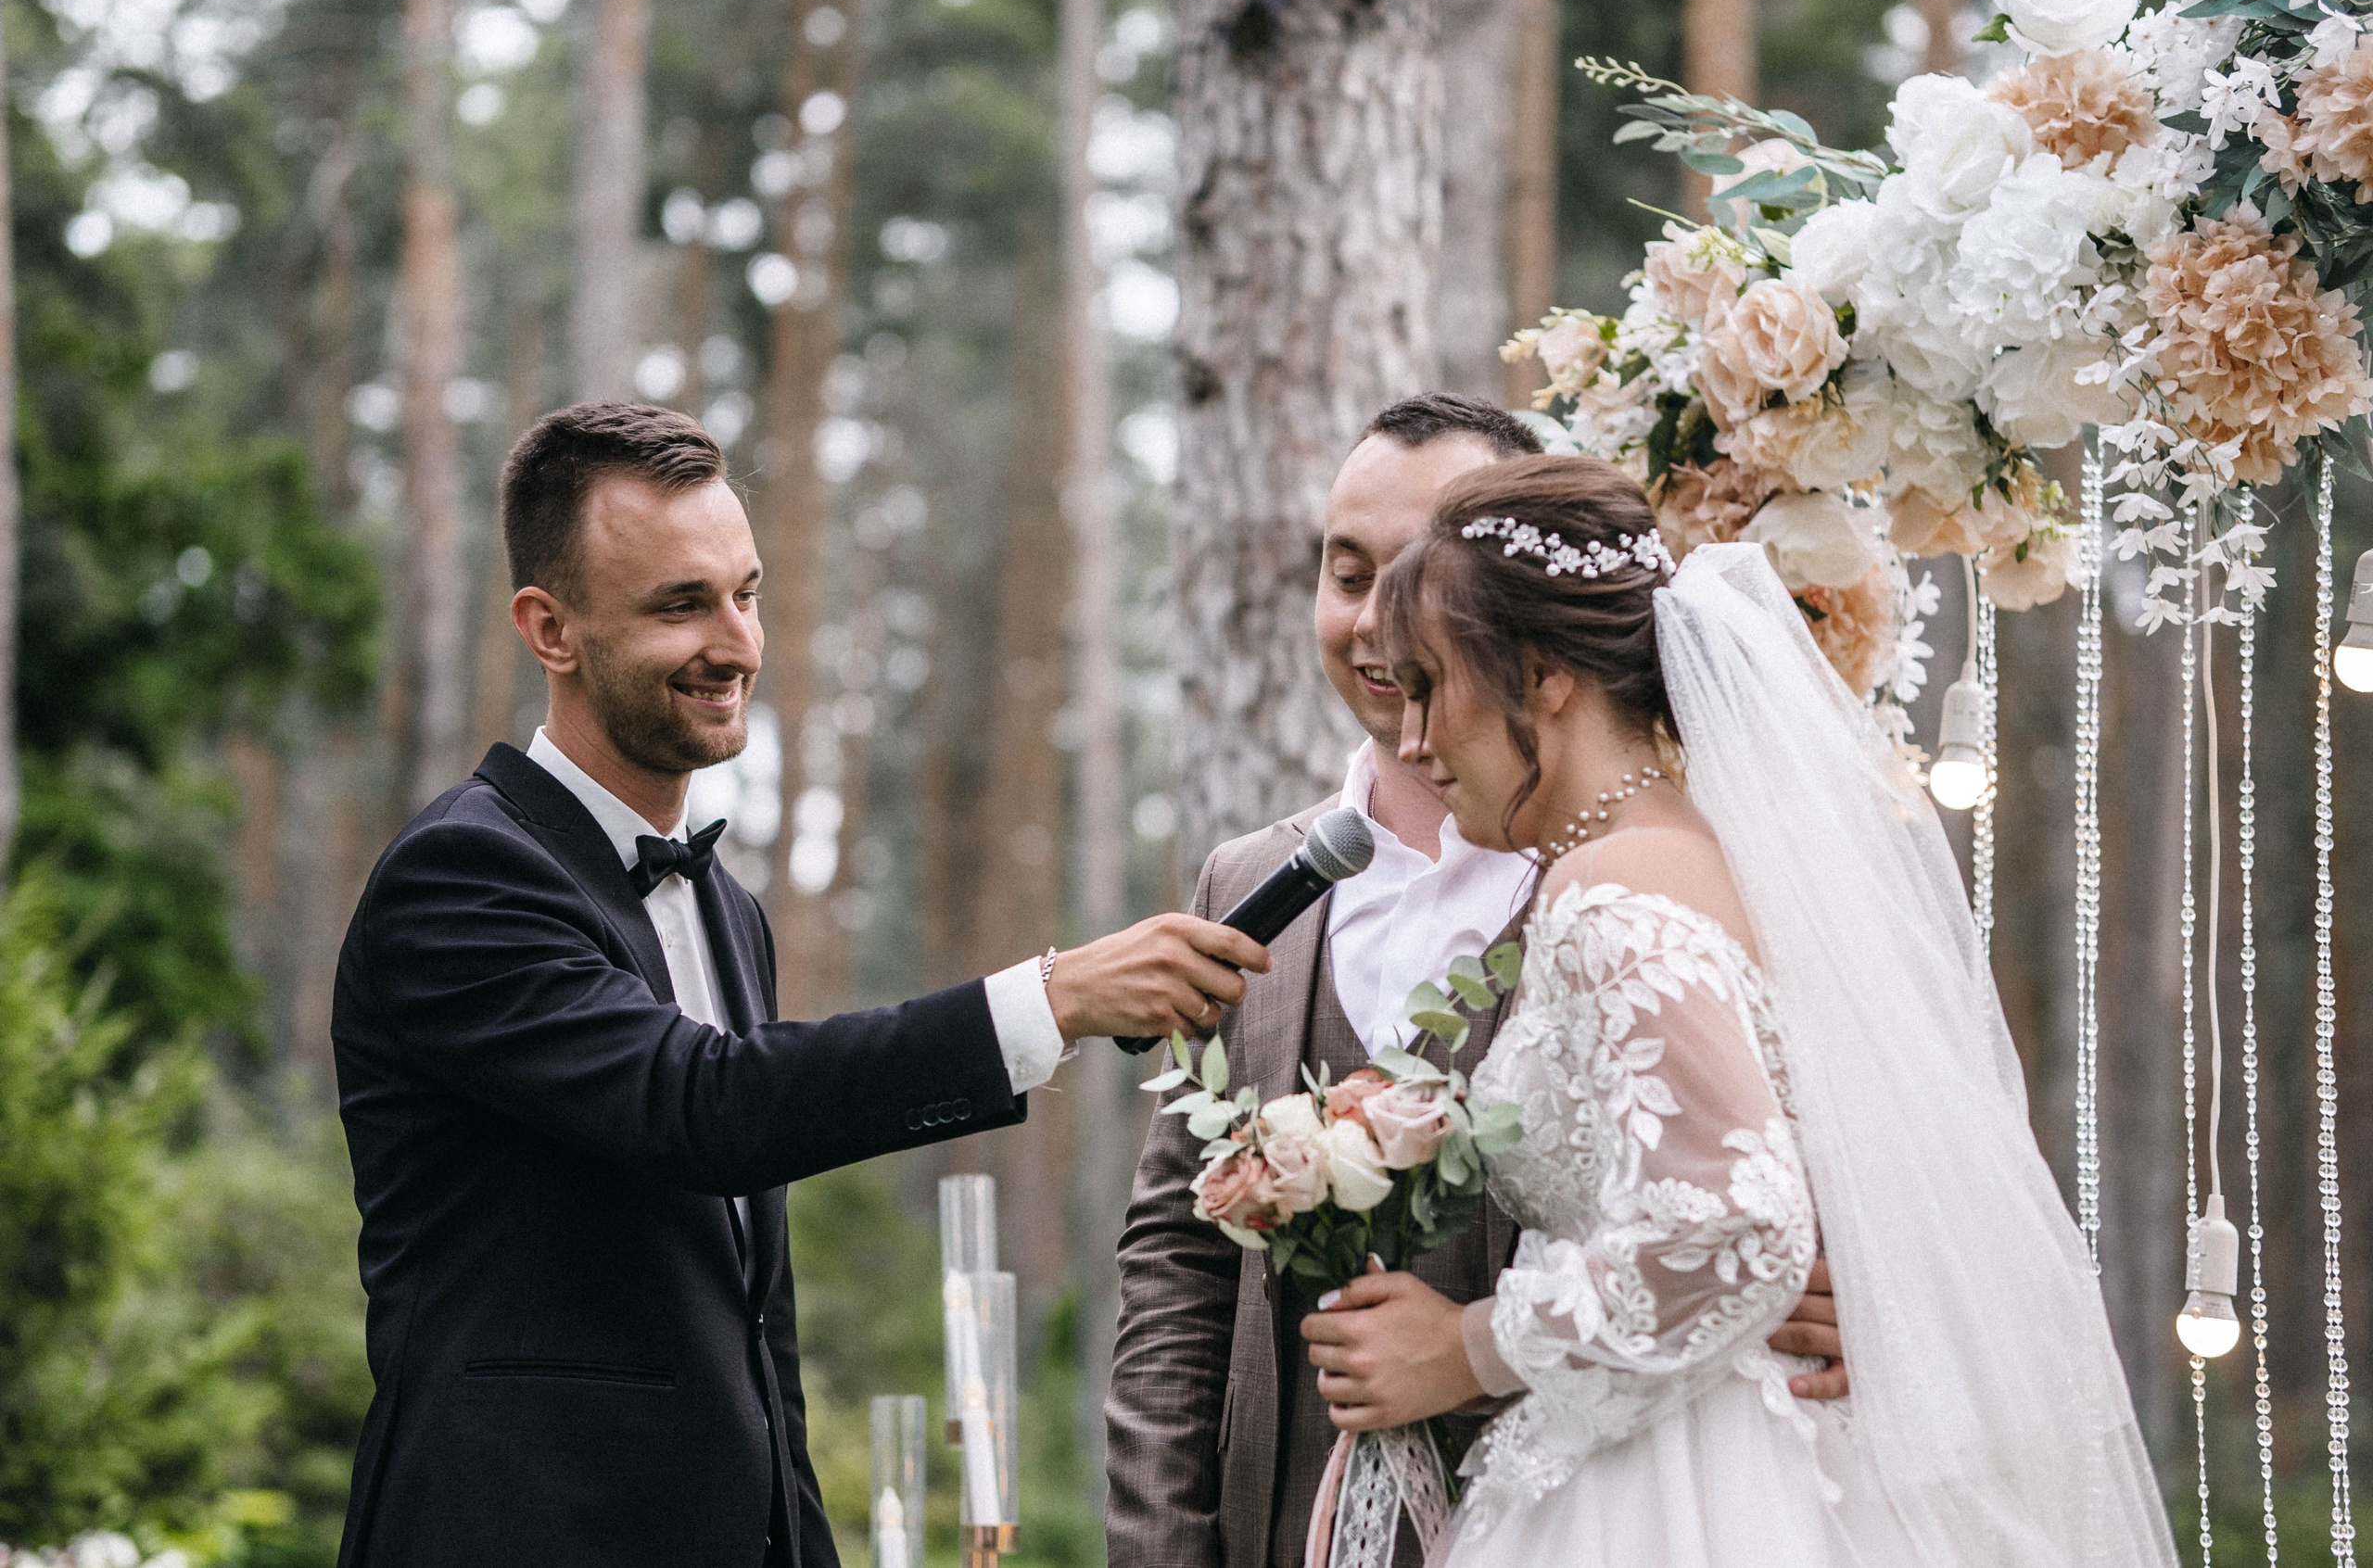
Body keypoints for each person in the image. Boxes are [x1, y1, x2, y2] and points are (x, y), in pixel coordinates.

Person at [328, 402, 1267, 1568]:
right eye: (681, 605)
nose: (737, 644)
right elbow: (704, 1107)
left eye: (747, 594)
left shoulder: (729, 913)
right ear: (550, 629)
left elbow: (756, 1335)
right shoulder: (460, 875)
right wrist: (1050, 998)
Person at [1301, 454, 2176, 1565]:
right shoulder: (1715, 854)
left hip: (1686, 1485)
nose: (1415, 739)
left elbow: (1738, 1225)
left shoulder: (1607, 889)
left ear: (1542, 673)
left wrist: (1467, 1347)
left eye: (1430, 686)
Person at [1104, 396, 1847, 1568]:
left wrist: (1870, 1300)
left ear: (1526, 641)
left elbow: (1784, 1195)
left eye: (1416, 585)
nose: (1375, 624)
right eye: (1348, 575)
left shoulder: (1632, 877)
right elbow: (1178, 1258)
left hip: (1619, 1506)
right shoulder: (1244, 886)